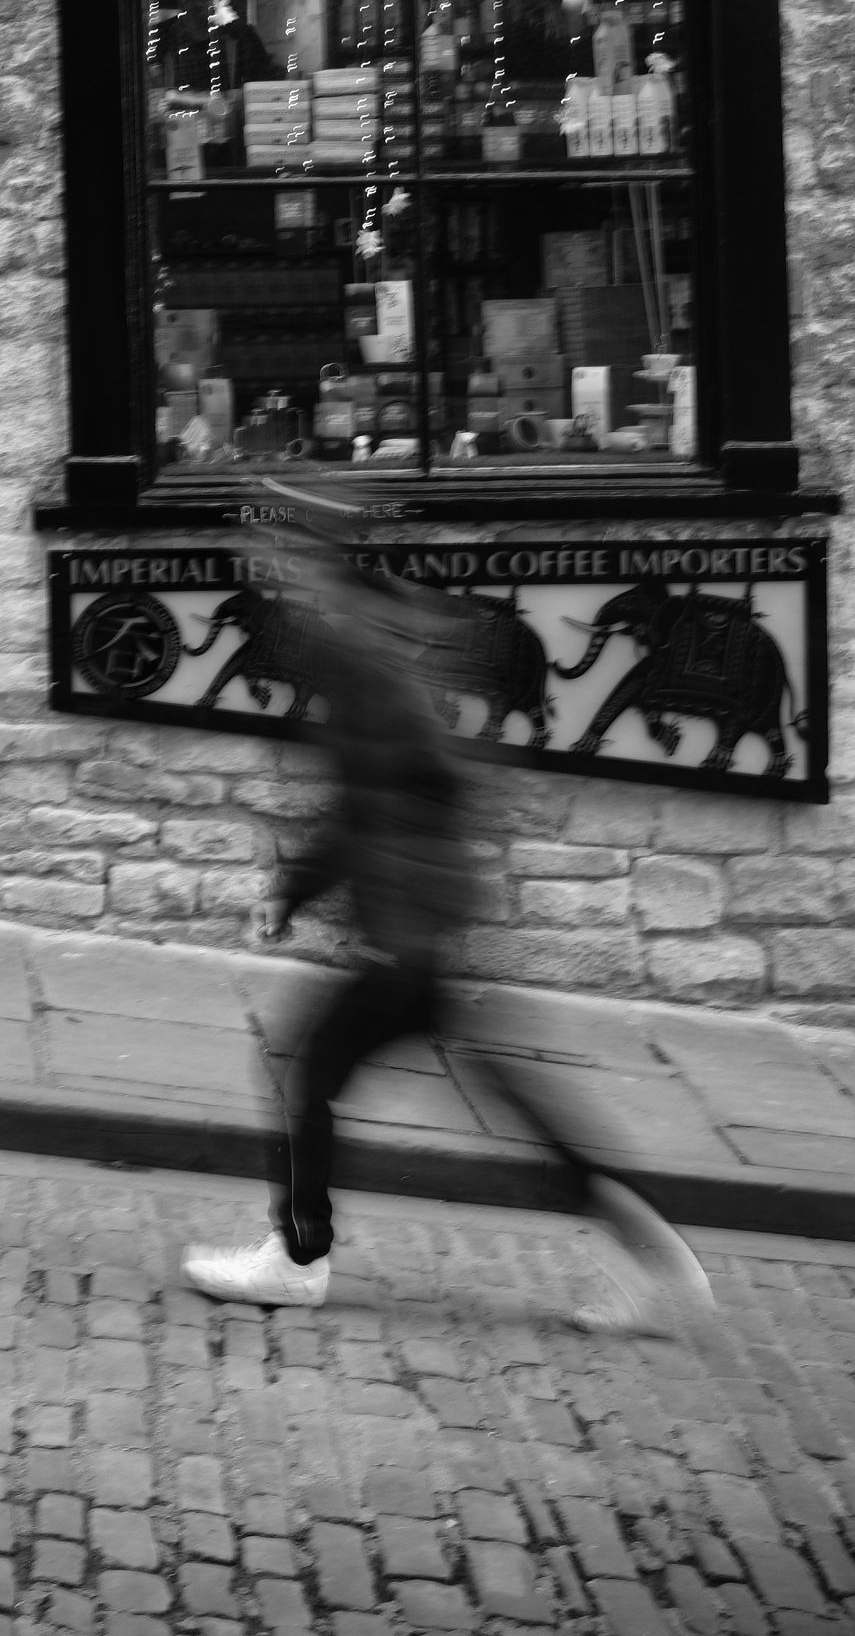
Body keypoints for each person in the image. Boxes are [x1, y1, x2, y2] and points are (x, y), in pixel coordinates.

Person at [180, 526, 715, 1328]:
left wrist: (323, 900)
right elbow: (374, 809)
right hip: (420, 931)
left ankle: (297, 1258)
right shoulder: (390, 685)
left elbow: (381, 808)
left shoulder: (374, 681)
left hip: (406, 935)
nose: (308, 603)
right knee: (505, 1103)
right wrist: (296, 893)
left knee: (306, 1068)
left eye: (319, 588)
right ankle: (658, 1252)